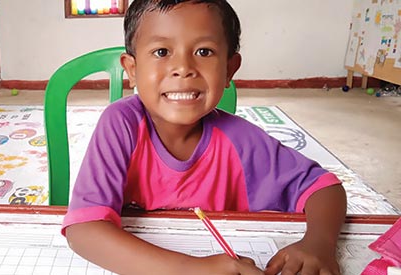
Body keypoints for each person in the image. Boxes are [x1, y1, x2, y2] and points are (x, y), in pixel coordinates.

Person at [62, 0, 347, 274]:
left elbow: (324, 188)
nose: (183, 68)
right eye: (162, 52)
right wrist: (192, 270)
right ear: (132, 70)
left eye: (204, 52)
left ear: (229, 69)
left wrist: (319, 243)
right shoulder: (121, 124)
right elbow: (85, 230)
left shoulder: (242, 140)